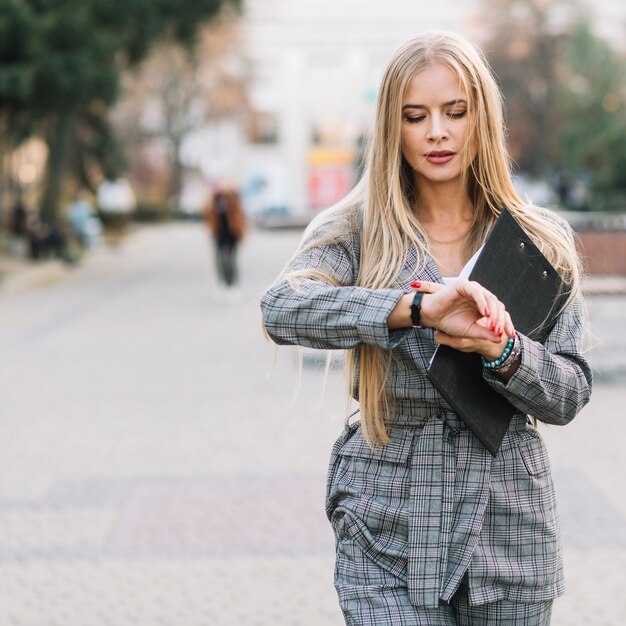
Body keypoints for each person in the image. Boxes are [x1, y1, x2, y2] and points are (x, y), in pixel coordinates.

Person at [260, 31, 592, 626]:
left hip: (507, 525)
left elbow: (569, 392)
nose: (437, 131)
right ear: (395, 127)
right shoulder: (358, 231)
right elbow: (283, 307)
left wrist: (505, 349)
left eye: (454, 112)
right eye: (416, 116)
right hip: (389, 520)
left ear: (482, 119)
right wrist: (412, 310)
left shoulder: (536, 242)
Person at [203, 181, 246, 288]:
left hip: (232, 236)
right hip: (220, 236)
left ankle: (233, 282)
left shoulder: (233, 203)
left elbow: (240, 218)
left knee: (230, 260)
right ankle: (224, 282)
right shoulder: (213, 203)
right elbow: (206, 213)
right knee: (219, 261)